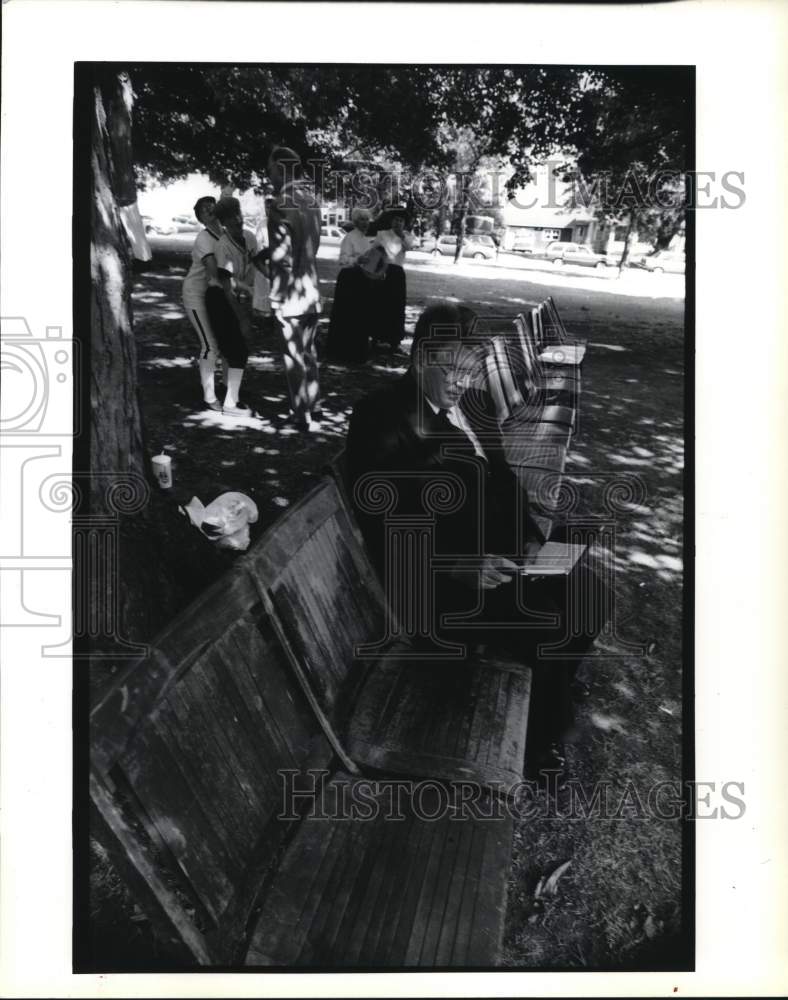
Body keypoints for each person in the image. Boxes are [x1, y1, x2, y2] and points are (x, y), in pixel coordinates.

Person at [346, 301, 609, 776]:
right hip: (440, 586)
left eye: (470, 371)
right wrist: (455, 565)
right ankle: (538, 742)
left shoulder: (470, 406)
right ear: (422, 358)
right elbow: (380, 526)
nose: (463, 382)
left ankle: (547, 689)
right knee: (550, 622)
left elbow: (505, 483)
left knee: (592, 593)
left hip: (500, 560)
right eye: (453, 369)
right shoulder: (379, 416)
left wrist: (529, 540)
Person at [266, 146, 323, 431]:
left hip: (291, 294)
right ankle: (315, 404)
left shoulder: (280, 204)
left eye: (270, 170)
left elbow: (282, 259)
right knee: (309, 351)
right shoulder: (312, 201)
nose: (269, 176)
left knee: (293, 355)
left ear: (280, 167)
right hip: (312, 289)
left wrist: (276, 298)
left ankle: (302, 414)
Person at [206, 196, 268, 416]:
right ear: (223, 222)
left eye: (238, 215)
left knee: (238, 347)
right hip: (220, 299)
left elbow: (257, 265)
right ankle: (230, 405)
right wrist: (242, 318)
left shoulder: (250, 237)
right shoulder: (222, 246)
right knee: (238, 349)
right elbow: (227, 286)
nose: (238, 220)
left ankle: (231, 391)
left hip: (238, 296)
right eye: (231, 218)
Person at [181, 196, 223, 410]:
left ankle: (224, 386)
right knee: (210, 345)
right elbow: (214, 271)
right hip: (196, 295)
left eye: (213, 206)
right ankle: (210, 398)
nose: (211, 210)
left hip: (215, 295)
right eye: (206, 210)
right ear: (202, 218)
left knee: (224, 341)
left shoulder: (224, 233)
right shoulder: (204, 238)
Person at [326, 207, 375, 363]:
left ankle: (357, 352)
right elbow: (343, 260)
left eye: (367, 220)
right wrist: (357, 260)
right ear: (355, 221)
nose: (365, 223)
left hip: (363, 280)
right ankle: (342, 352)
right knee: (347, 315)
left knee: (360, 316)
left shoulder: (365, 239)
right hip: (349, 280)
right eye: (362, 219)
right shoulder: (349, 238)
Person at [368, 206, 414, 351]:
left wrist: (401, 236)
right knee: (380, 303)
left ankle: (395, 341)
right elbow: (374, 251)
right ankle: (376, 337)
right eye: (395, 220)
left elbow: (409, 247)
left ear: (404, 223)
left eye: (401, 221)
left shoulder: (407, 236)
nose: (397, 223)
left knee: (396, 305)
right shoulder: (382, 234)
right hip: (383, 270)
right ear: (391, 221)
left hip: (398, 273)